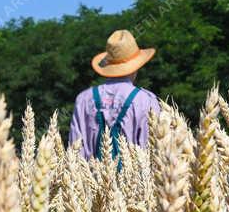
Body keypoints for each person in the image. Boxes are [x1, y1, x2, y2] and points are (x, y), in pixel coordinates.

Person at [69, 29, 161, 161]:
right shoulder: (146, 100)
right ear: (136, 66)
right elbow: (152, 151)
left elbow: (74, 151)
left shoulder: (84, 99)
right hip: (136, 180)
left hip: (90, 179)